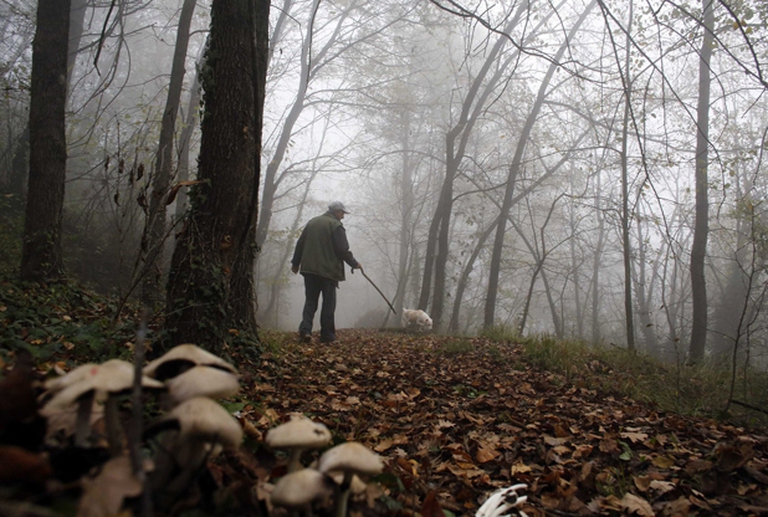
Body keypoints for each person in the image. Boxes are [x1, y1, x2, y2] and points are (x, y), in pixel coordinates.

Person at [291, 201, 362, 343]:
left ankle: (305, 331)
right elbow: (342, 250)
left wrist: (295, 263)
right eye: (342, 213)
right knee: (328, 303)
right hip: (328, 271)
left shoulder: (312, 222)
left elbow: (300, 243)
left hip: (309, 269)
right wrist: (354, 263)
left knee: (310, 301)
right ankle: (327, 336)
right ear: (336, 212)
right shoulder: (336, 226)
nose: (343, 217)